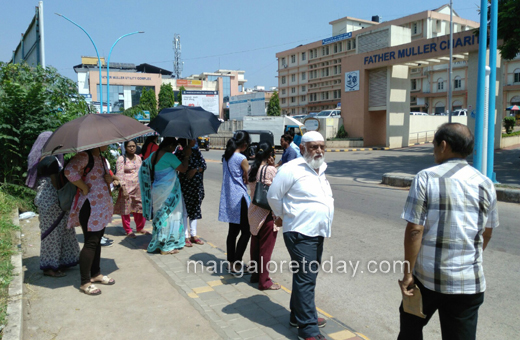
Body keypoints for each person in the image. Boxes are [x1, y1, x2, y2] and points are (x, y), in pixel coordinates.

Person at [398, 123, 499, 340]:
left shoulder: (426, 177)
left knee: (410, 329)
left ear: (443, 145)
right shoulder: (485, 183)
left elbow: (415, 230)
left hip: (427, 279)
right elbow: (487, 233)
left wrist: (408, 274)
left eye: (434, 145)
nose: (433, 149)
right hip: (469, 283)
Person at [267, 131, 333, 340]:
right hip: (299, 231)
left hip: (316, 231)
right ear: (302, 148)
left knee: (304, 276)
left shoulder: (319, 169)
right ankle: (308, 330)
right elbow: (273, 196)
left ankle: (298, 316)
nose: (319, 151)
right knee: (306, 278)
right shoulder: (290, 168)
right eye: (314, 147)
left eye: (322, 146)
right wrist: (282, 216)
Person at [65, 145, 116, 296]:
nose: (108, 143)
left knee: (97, 240)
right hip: (90, 207)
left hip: (101, 207)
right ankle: (85, 282)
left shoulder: (101, 157)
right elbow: (69, 171)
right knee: (91, 242)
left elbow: (104, 178)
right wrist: (83, 187)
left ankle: (96, 273)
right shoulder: (84, 156)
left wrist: (109, 178)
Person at [139, 137, 193, 255]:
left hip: (157, 190)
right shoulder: (169, 156)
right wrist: (187, 155)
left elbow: (144, 167)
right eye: (174, 146)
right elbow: (183, 169)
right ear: (169, 146)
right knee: (169, 217)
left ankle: (159, 243)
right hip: (169, 191)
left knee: (160, 217)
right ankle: (165, 247)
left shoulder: (153, 155)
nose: (174, 149)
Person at [34, 156, 80, 277]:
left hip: (44, 198)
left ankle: (61, 261)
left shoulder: (43, 159)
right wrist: (66, 193)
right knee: (53, 235)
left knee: (60, 232)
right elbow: (55, 183)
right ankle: (50, 267)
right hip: (53, 200)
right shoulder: (52, 161)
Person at [247, 141, 281, 290]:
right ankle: (264, 281)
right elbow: (277, 190)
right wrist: (272, 167)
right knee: (266, 250)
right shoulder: (270, 170)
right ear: (270, 155)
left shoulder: (251, 169)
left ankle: (255, 275)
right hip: (267, 213)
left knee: (255, 245)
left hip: (254, 211)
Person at [218, 130, 251, 273]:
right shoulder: (241, 158)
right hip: (240, 198)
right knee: (246, 232)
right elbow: (251, 176)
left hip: (230, 198)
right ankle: (237, 263)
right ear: (244, 144)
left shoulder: (226, 156)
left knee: (232, 232)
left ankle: (231, 263)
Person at [174, 139, 207, 247]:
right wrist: (186, 156)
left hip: (197, 186)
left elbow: (204, 166)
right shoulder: (179, 153)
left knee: (195, 210)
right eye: (192, 139)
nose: (195, 140)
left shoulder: (197, 151)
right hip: (185, 186)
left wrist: (196, 170)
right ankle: (185, 236)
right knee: (184, 212)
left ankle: (194, 234)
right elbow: (181, 168)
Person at [114, 140, 149, 238]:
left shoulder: (138, 158)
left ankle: (140, 228)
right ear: (125, 147)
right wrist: (123, 189)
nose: (132, 148)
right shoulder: (121, 159)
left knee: (139, 207)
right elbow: (119, 175)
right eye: (129, 146)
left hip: (138, 188)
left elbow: (142, 172)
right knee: (126, 209)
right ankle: (128, 230)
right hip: (127, 188)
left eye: (134, 146)